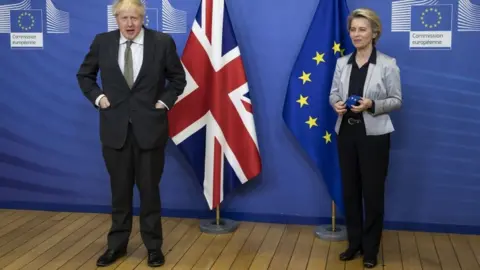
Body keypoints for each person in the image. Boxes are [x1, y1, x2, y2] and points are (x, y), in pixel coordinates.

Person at [76, 0, 186, 267]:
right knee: (119, 192)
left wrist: (163, 103)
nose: (129, 23)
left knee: (149, 192)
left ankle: (153, 247)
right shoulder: (102, 42)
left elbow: (178, 79)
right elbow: (85, 76)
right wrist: (99, 98)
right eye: (124, 18)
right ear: (116, 19)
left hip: (150, 130)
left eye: (134, 18)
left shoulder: (162, 42)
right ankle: (117, 246)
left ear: (142, 18)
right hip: (115, 131)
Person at [329, 8, 402, 268]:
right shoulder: (342, 63)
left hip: (374, 138)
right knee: (350, 192)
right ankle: (354, 244)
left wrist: (372, 104)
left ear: (374, 32)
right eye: (353, 29)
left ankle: (371, 249)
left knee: (372, 194)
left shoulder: (387, 64)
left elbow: (396, 100)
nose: (356, 34)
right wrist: (336, 104)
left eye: (362, 29)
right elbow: (334, 94)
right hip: (346, 134)